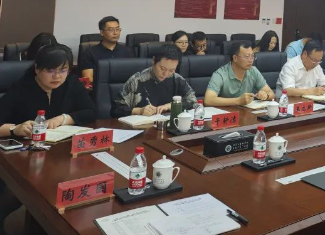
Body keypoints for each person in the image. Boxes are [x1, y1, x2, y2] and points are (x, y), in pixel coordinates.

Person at [0, 44, 96, 232]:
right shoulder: (21, 89)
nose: (57, 76)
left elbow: (91, 111)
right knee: (16, 194)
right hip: (22, 157)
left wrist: (64, 118)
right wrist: (15, 129)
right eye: (50, 70)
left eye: (63, 70)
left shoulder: (71, 83)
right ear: (37, 69)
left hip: (58, 156)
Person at [111, 44, 197, 117]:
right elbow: (115, 110)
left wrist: (171, 106)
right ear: (153, 61)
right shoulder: (137, 80)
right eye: (162, 68)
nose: (166, 74)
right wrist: (139, 111)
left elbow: (193, 101)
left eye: (171, 70)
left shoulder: (177, 79)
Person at [205, 41, 274, 107]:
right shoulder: (220, 74)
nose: (250, 60)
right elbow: (208, 100)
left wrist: (266, 95)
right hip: (226, 112)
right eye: (247, 56)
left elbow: (271, 93)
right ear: (235, 58)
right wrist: (238, 101)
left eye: (252, 56)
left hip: (246, 112)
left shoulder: (253, 70)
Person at [78, 16, 133, 82]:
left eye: (117, 29)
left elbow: (133, 76)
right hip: (99, 87)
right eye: (111, 30)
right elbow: (89, 79)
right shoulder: (90, 53)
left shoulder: (127, 51)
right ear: (102, 32)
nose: (115, 33)